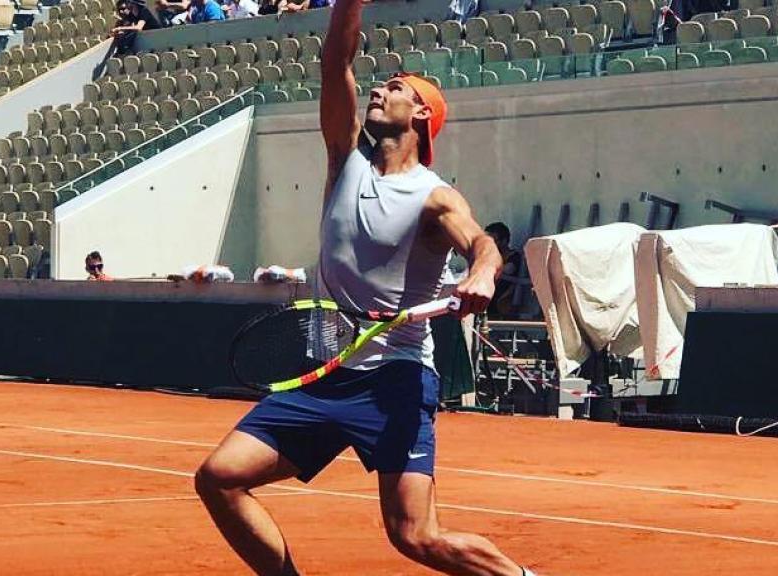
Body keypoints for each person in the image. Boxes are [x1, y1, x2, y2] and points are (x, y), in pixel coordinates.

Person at [194, 0, 535, 574]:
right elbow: (335, 64)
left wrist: (481, 271)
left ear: (423, 114)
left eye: (396, 87)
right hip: (326, 369)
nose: (381, 88)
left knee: (415, 537)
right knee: (219, 478)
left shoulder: (435, 195)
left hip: (395, 381)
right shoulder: (342, 161)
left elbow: (481, 243)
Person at [484, 222, 523, 318]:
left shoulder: (514, 256)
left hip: (502, 300)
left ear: (504, 241)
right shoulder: (490, 256)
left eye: (493, 241)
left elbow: (509, 269)